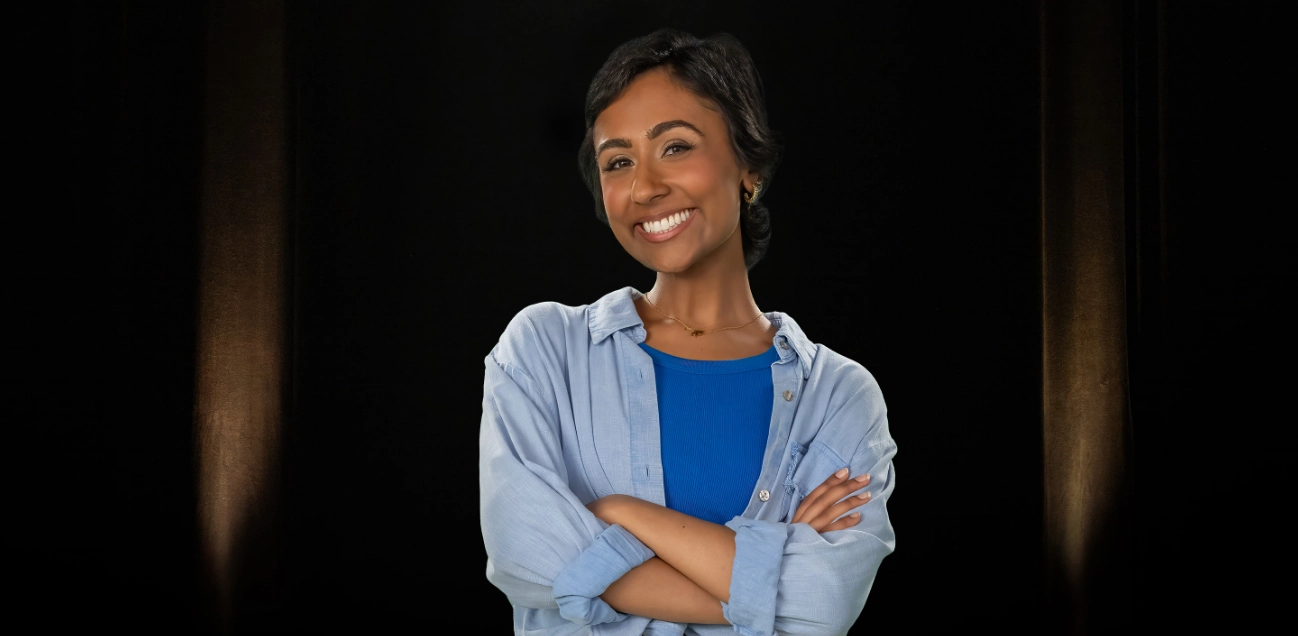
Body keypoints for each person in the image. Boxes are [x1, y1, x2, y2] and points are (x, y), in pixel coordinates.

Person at [479, 28, 896, 636]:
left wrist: (623, 514)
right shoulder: (544, 349)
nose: (645, 186)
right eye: (618, 161)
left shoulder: (838, 396)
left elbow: (829, 600)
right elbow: (525, 554)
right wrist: (767, 596)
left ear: (748, 167)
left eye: (675, 147)